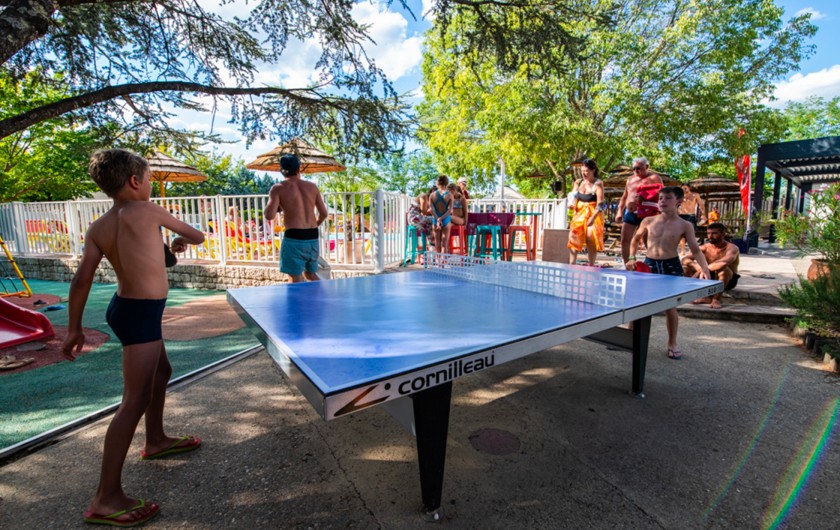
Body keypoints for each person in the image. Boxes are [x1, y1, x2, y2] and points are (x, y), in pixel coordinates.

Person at [61, 149, 205, 527]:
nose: (153, 184)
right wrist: (176, 232)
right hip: (141, 316)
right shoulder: (149, 211)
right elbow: (198, 235)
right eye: (151, 178)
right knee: (134, 399)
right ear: (136, 181)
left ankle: (156, 440)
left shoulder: (100, 225)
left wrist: (74, 327)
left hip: (125, 309)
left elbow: (83, 278)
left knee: (161, 372)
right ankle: (105, 497)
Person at [626, 186, 711, 360]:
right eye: (660, 198)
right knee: (638, 303)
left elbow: (695, 249)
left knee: (670, 307)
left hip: (671, 266)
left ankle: (672, 343)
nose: (662, 201)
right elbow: (634, 240)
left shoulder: (685, 225)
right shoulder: (648, 221)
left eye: (667, 198)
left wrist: (705, 268)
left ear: (679, 202)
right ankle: (628, 338)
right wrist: (631, 257)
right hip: (649, 265)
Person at [264, 154, 328, 283]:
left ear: (281, 170)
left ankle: (295, 304)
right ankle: (323, 300)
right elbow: (324, 213)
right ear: (299, 169)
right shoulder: (312, 187)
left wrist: (278, 204)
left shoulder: (277, 188)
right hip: (312, 236)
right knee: (310, 274)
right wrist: (314, 225)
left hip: (294, 237)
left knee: (295, 277)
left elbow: (269, 215)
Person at [616, 157, 663, 264]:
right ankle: (627, 264)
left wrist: (646, 197)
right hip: (630, 212)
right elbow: (625, 196)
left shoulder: (655, 178)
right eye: (634, 168)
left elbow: (662, 194)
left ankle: (653, 263)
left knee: (649, 241)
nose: (636, 171)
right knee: (625, 240)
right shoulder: (630, 179)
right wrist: (619, 210)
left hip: (648, 213)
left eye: (638, 168)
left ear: (646, 167)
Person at [683, 222, 740, 309]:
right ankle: (704, 297)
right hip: (707, 276)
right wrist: (698, 267)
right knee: (685, 269)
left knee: (724, 270)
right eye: (708, 233)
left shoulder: (732, 248)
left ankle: (716, 299)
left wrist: (701, 271)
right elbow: (684, 259)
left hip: (728, 279)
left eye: (714, 233)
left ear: (723, 234)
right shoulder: (705, 247)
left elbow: (722, 263)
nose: (710, 236)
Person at [567, 158, 605, 266]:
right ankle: (572, 263)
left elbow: (600, 203)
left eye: (586, 171)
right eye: (582, 171)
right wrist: (571, 205)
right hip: (579, 213)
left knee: (590, 239)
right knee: (574, 238)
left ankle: (591, 264)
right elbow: (573, 197)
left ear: (593, 170)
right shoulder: (578, 182)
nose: (584, 173)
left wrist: (592, 219)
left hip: (593, 213)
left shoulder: (598, 184)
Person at [678, 184, 707, 256]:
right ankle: (683, 251)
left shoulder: (695, 195)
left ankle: (691, 250)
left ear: (689, 188)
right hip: (682, 215)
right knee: (681, 234)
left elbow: (701, 205)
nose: (684, 190)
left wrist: (703, 214)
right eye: (682, 189)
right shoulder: (680, 196)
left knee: (691, 234)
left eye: (685, 188)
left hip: (691, 215)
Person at [429, 175, 454, 253]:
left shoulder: (432, 195)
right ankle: (444, 263)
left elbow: (431, 210)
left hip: (435, 219)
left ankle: (438, 263)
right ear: (446, 183)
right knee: (445, 244)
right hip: (446, 219)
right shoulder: (450, 195)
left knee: (437, 243)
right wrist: (442, 218)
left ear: (437, 183)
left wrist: (438, 219)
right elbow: (450, 210)